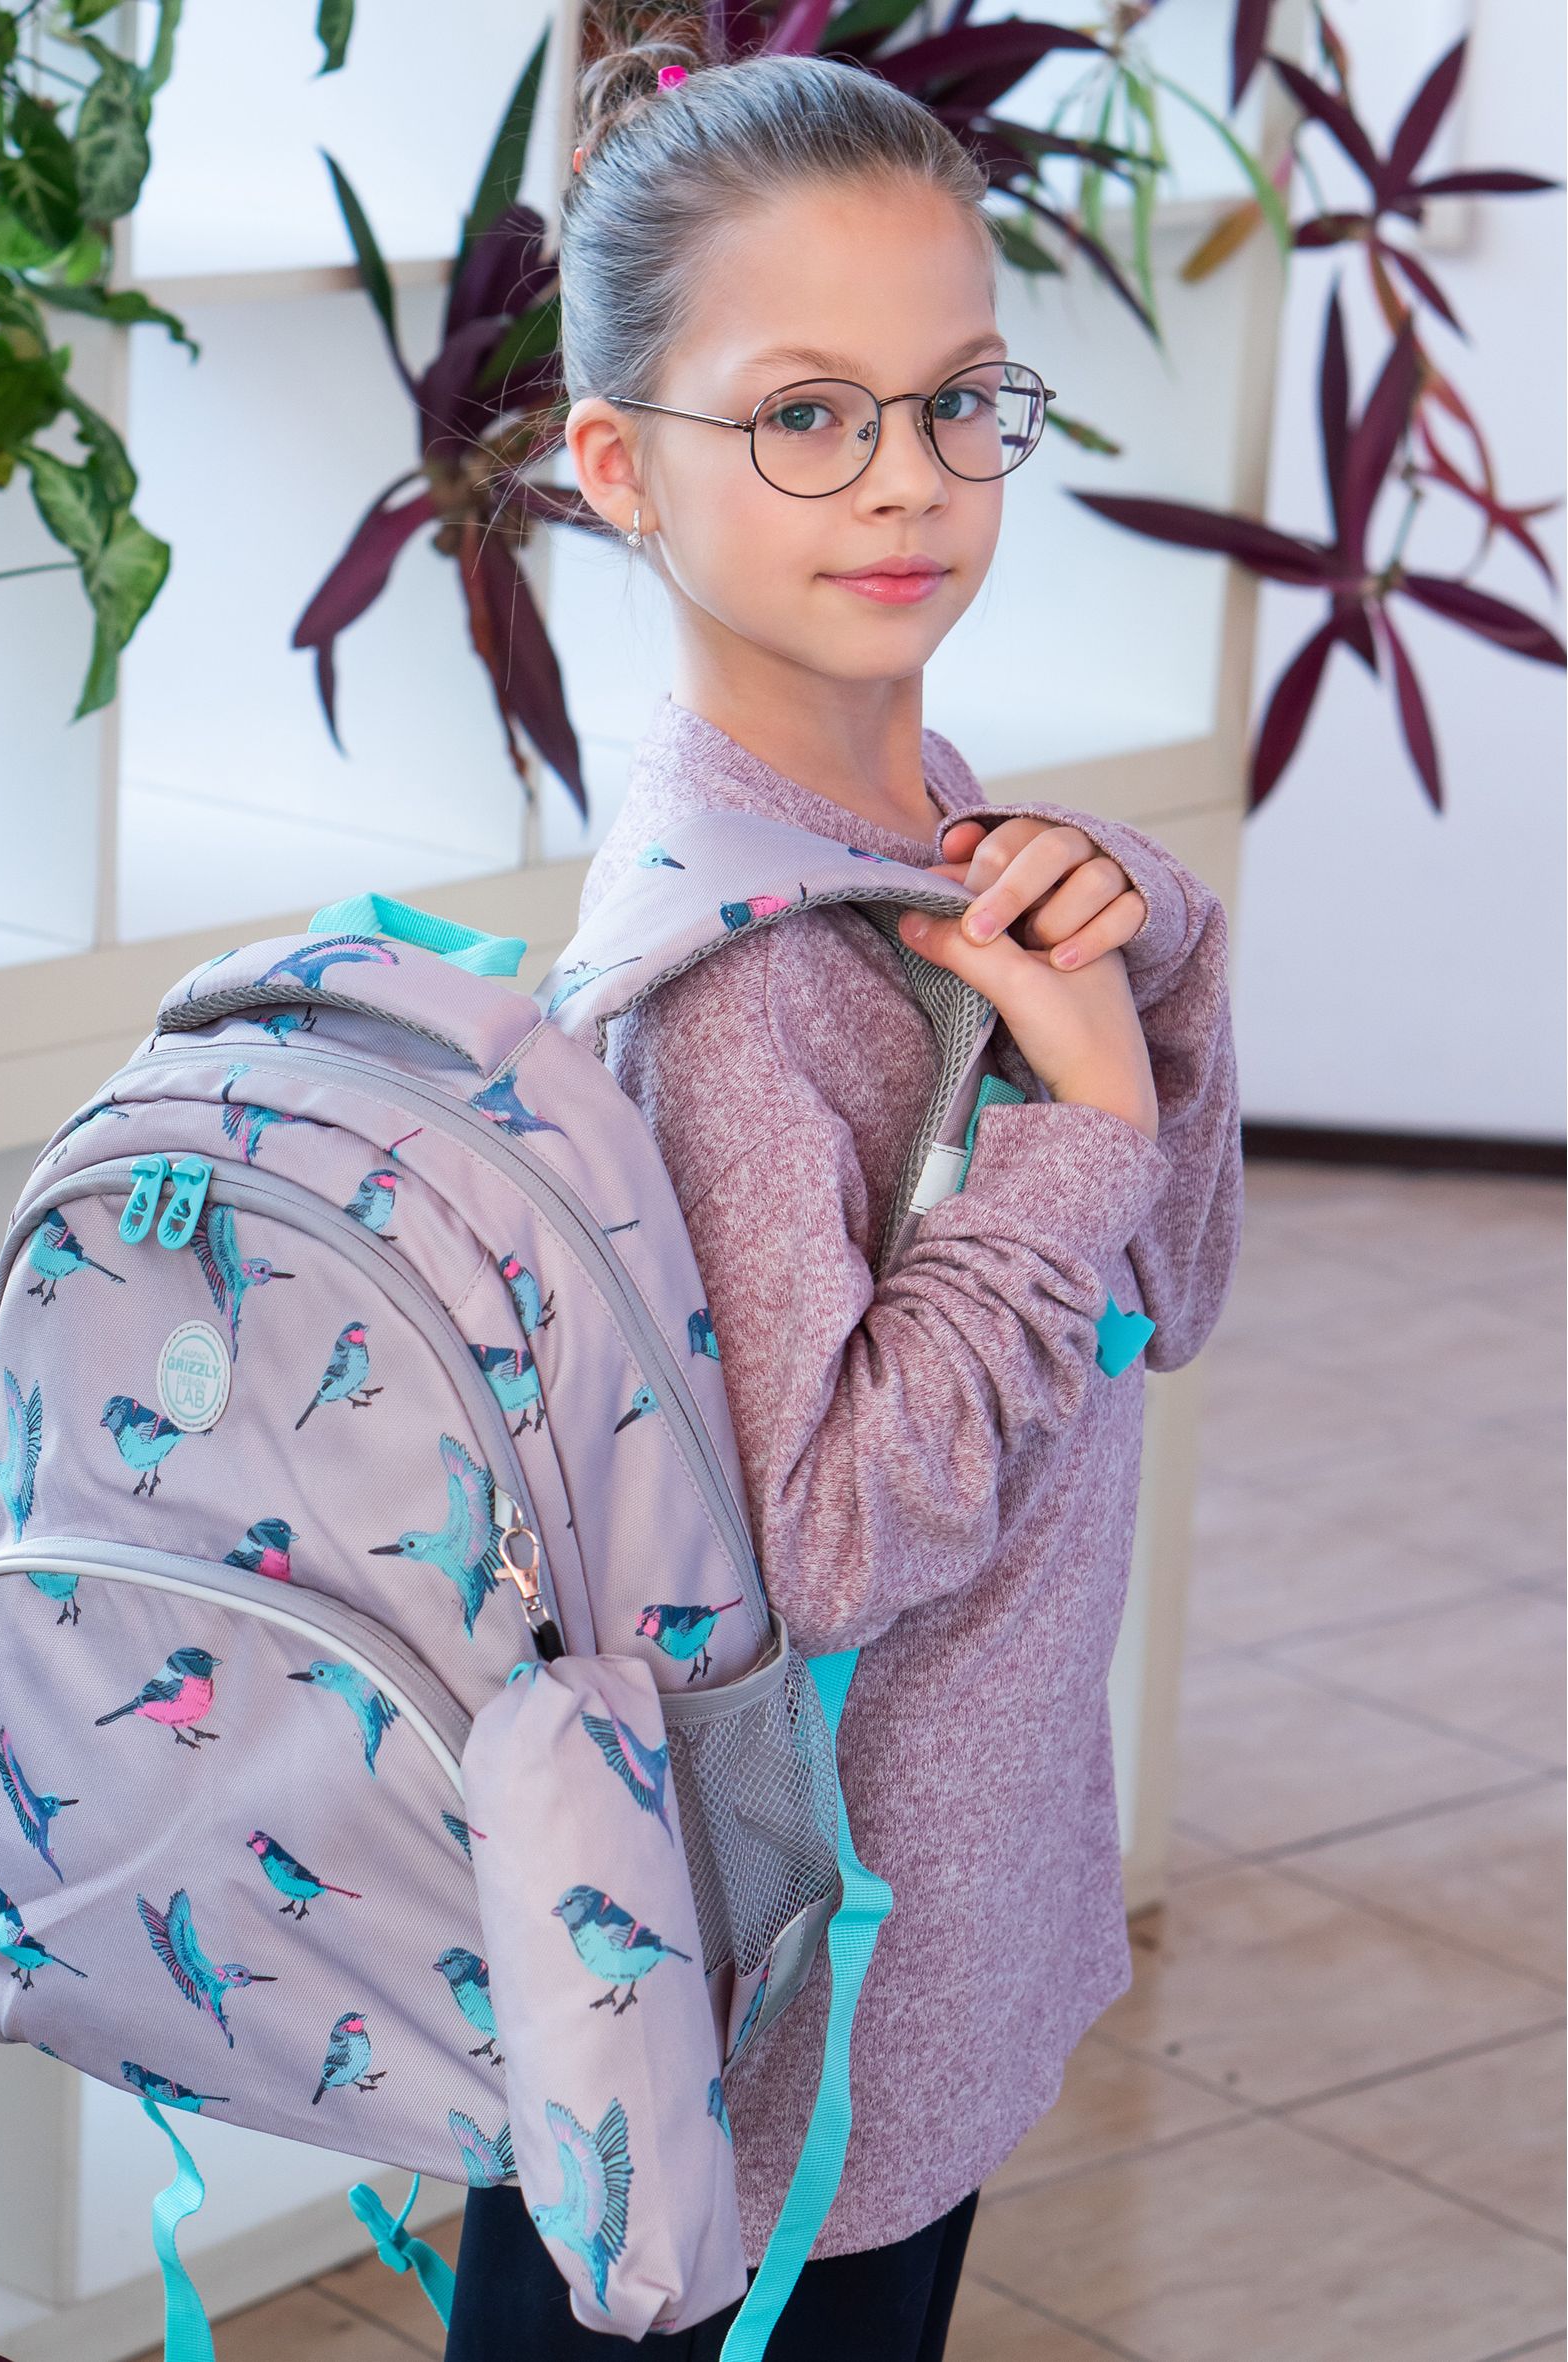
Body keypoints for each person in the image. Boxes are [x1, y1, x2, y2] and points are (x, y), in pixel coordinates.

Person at [444, 27, 1242, 2362]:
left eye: (956, 399)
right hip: (760, 2044)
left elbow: (1169, 1294)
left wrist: (1145, 971)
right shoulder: (739, 986)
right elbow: (821, 1544)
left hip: (914, 1965)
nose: (906, 478)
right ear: (618, 465)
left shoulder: (939, 830)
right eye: (802, 413)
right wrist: (1076, 1121)